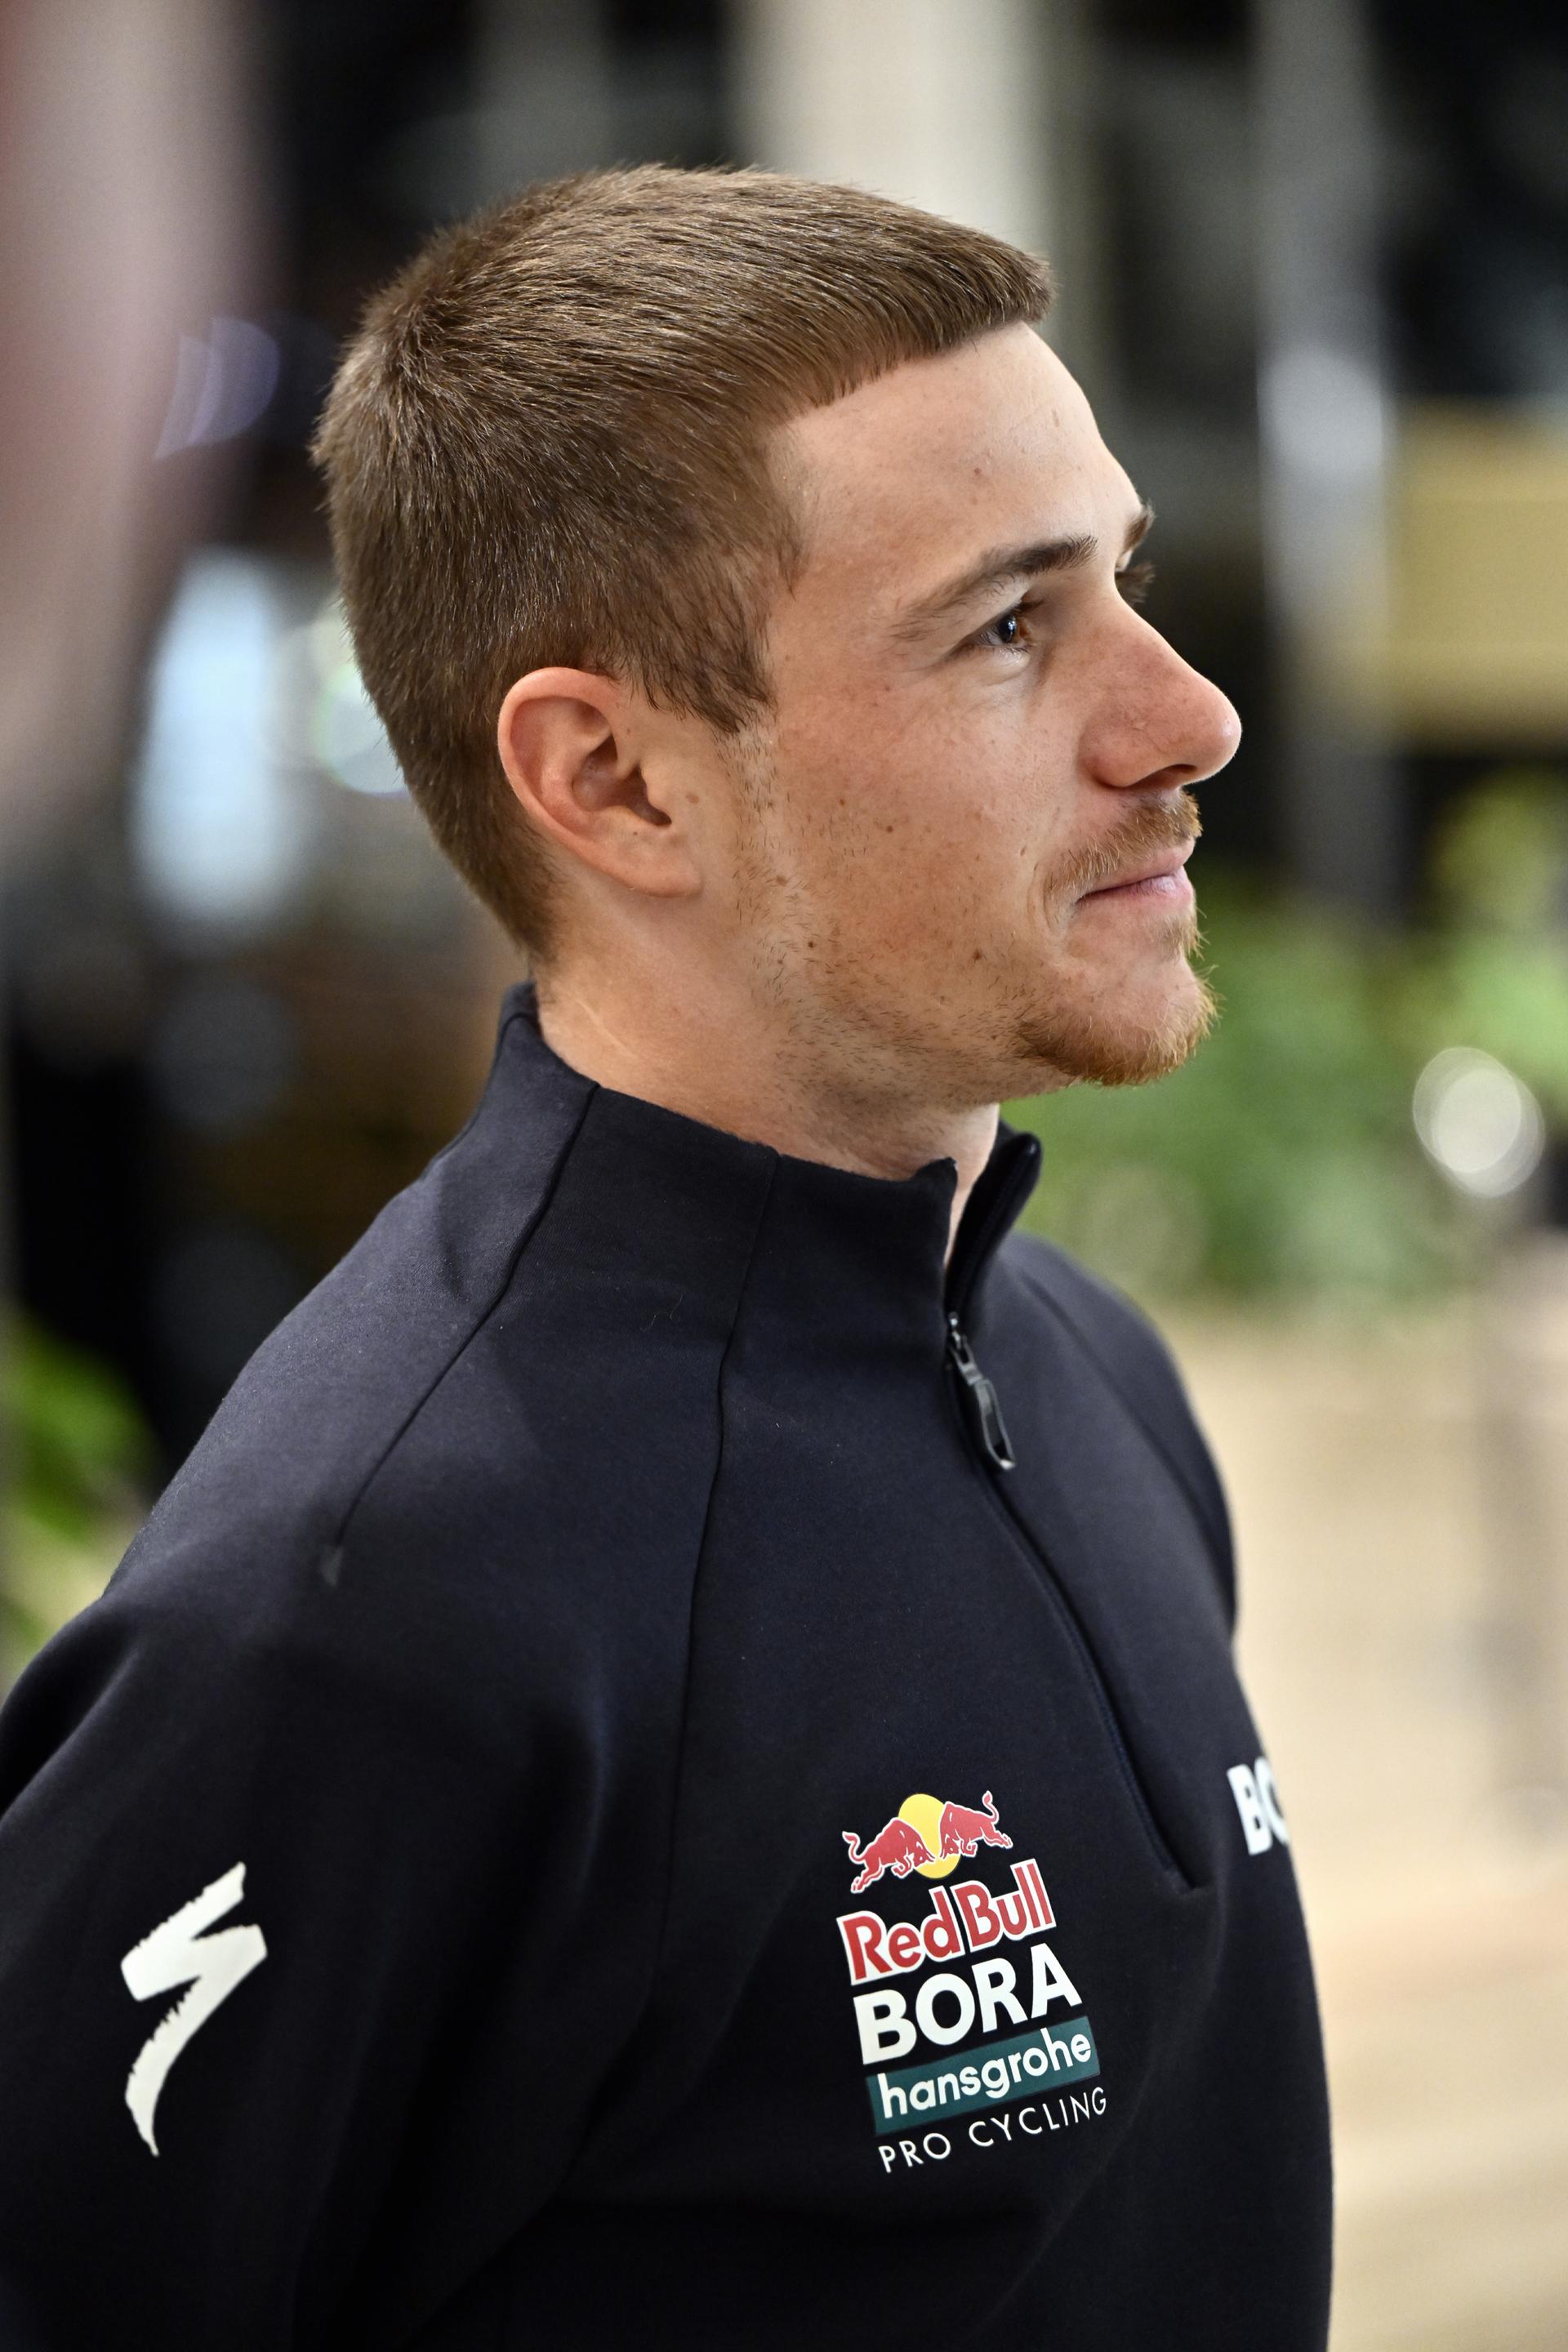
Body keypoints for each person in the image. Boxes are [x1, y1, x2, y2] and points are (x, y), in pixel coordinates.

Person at [0, 167, 1330, 2350]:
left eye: (1126, 578)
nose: (1186, 715)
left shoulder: (1087, 1372)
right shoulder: (363, 1613)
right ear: (614, 782)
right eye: (1011, 625)